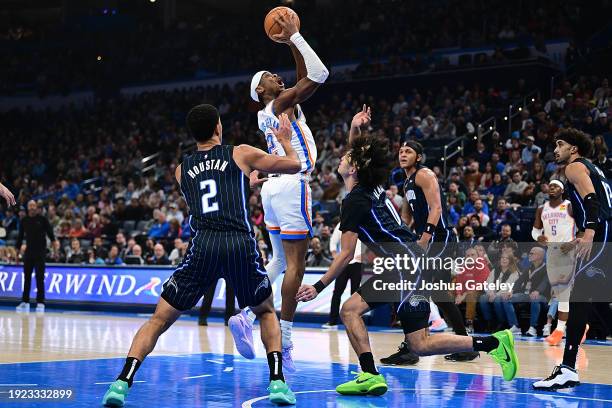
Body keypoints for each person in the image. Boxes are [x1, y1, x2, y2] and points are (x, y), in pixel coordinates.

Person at [296, 122, 518, 396]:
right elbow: (359, 154)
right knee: (350, 310)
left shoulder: (354, 200)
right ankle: (370, 374)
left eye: (345, 158)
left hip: (409, 266)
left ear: (353, 169)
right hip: (400, 265)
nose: (341, 158)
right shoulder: (369, 188)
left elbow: (345, 254)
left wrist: (317, 286)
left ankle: (494, 344)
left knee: (420, 344)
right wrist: (356, 128)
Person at [101, 104, 301, 406]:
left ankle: (120, 383)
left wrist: (243, 182)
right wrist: (286, 139)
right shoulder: (241, 153)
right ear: (219, 128)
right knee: (265, 311)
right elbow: (294, 165)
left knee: (158, 320)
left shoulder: (181, 170)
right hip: (237, 243)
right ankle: (277, 383)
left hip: (203, 245)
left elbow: (211, 192)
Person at [229, 11, 329, 372]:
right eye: (270, 76)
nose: (277, 76)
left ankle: (244, 315)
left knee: (278, 262)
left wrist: (290, 43)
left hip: (273, 188)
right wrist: (297, 39)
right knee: (296, 266)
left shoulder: (275, 106)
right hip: (291, 183)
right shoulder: (278, 104)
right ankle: (285, 338)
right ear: (261, 90)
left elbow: (303, 76)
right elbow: (319, 75)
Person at [382, 140, 479, 365]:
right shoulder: (406, 182)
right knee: (441, 296)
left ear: (419, 157)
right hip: (429, 239)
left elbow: (436, 208)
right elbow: (407, 218)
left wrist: (424, 238)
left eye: (409, 151)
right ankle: (466, 345)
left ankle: (411, 347)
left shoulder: (425, 175)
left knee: (418, 289)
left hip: (440, 238)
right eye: (401, 151)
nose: (403, 154)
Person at [534, 129, 612, 390]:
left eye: (560, 144)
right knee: (591, 301)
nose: (555, 149)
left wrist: (589, 232)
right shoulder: (594, 168)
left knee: (580, 299)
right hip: (603, 231)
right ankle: (567, 368)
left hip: (601, 233)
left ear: (574, 148)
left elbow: (591, 200)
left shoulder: (574, 167)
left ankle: (567, 369)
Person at [532, 180, 577, 343]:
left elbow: (583, 228)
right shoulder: (541, 209)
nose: (552, 188)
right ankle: (580, 325)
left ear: (563, 190)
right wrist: (538, 236)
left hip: (568, 252)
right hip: (551, 252)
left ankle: (559, 330)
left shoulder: (569, 206)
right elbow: (535, 231)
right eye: (550, 186)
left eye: (556, 186)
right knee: (559, 292)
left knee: (564, 292)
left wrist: (574, 243)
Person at [15, 200, 57, 313]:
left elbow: (51, 236)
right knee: (27, 278)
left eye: (34, 205)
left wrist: (55, 251)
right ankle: (25, 302)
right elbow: (19, 238)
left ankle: (40, 303)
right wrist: (17, 255)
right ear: (28, 208)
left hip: (40, 253)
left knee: (40, 277)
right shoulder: (24, 220)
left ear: (36, 207)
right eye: (30, 205)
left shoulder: (42, 219)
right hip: (28, 253)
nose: (32, 207)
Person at [322, 221, 363, 329]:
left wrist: (364, 255)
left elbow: (371, 242)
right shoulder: (342, 223)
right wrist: (335, 254)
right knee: (337, 292)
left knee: (355, 294)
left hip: (358, 264)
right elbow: (333, 241)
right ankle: (332, 321)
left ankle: (355, 322)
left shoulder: (364, 222)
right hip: (344, 263)